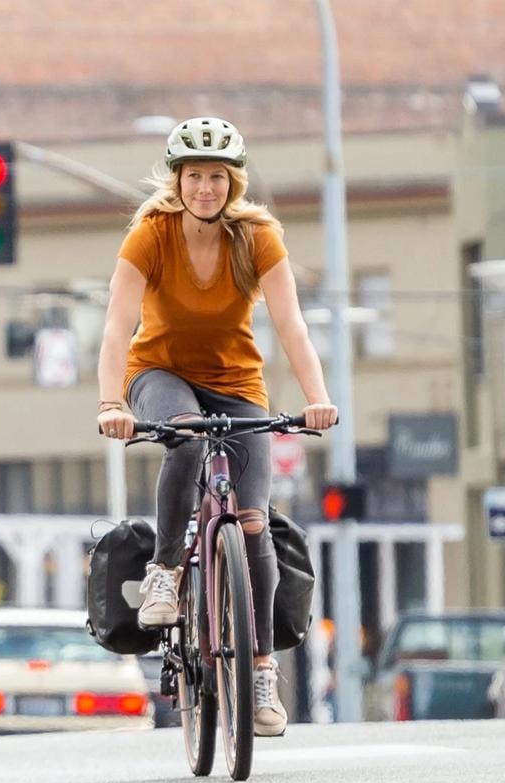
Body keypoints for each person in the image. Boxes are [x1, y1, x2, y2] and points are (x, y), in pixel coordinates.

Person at [94, 116, 340, 737]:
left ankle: (260, 672)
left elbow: (292, 327)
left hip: (237, 385)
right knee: (182, 437)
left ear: (235, 182)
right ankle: (166, 572)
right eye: (195, 176)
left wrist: (317, 397)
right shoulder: (150, 235)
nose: (206, 188)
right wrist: (109, 405)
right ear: (178, 181)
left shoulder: (259, 237)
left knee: (253, 523)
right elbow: (117, 327)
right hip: (160, 374)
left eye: (217, 177)